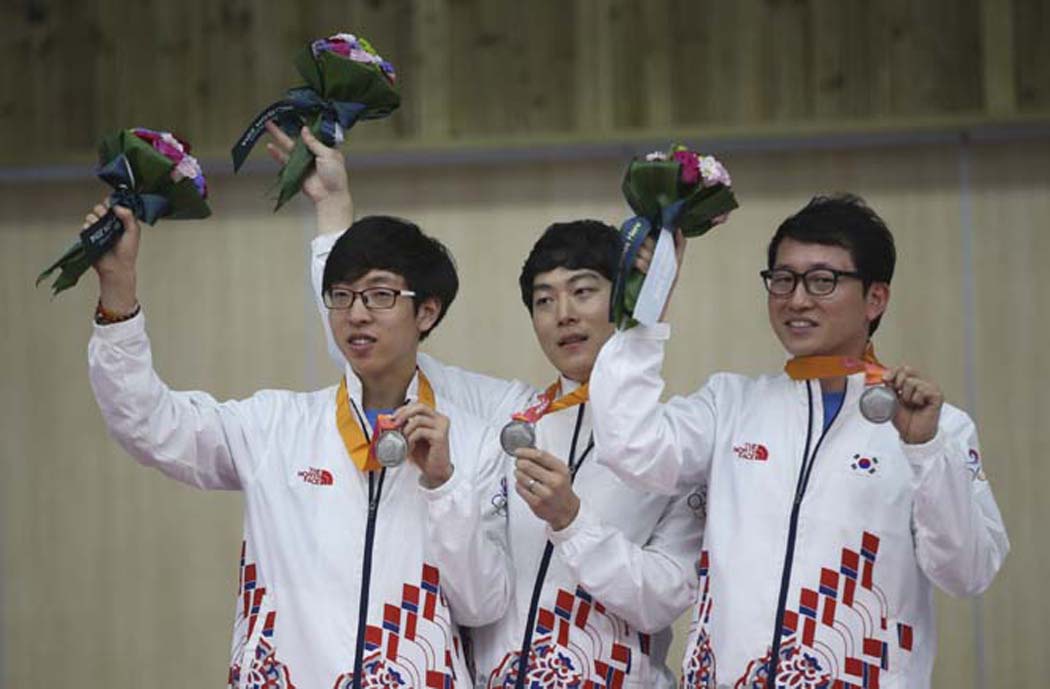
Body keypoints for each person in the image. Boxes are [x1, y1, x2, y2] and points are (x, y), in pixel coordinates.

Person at [274, 125, 703, 688]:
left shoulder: (676, 446)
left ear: (624, 299)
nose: (563, 314)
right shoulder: (510, 414)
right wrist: (332, 213)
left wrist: (572, 522)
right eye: (544, 300)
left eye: (583, 291)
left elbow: (662, 599)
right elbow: (373, 345)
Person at [84, 166, 511, 687]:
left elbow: (482, 603)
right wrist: (117, 296)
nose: (356, 314)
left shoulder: (471, 440)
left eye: (379, 296)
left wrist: (445, 486)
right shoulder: (275, 428)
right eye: (342, 295)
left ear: (426, 312)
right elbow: (148, 423)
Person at [588, 194, 1010, 688]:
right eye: (783, 279)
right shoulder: (732, 404)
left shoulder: (936, 427)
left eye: (823, 280)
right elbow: (630, 448)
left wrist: (926, 451)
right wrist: (646, 315)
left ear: (876, 298)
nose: (797, 299)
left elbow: (968, 573)